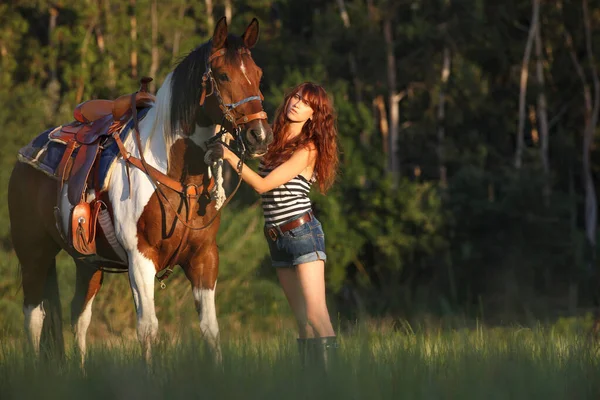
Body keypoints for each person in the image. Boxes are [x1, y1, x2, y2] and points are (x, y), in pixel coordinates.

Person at [208, 82, 339, 368]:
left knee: (317, 316)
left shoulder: (308, 148)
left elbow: (264, 185)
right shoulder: (276, 139)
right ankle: (311, 387)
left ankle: (335, 386)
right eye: (295, 96)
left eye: (306, 103)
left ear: (314, 115)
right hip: (277, 237)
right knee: (302, 322)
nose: (296, 103)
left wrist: (228, 156)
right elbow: (245, 142)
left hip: (302, 233)